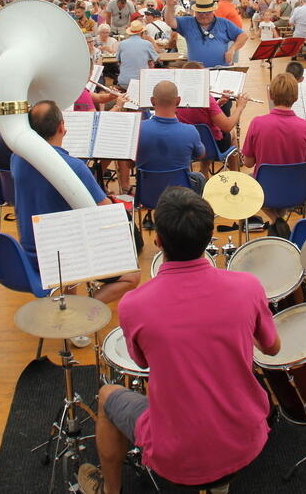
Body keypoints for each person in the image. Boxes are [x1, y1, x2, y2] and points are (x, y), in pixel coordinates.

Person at [77, 186, 280, 494]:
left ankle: (109, 490)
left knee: (107, 395)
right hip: (247, 441)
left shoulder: (134, 304)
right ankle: (220, 482)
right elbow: (272, 348)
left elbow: (142, 362)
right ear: (209, 236)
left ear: (158, 242)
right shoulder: (248, 287)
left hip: (177, 455)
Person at [11, 100, 139, 304]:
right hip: (62, 259)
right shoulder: (75, 168)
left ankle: (70, 297)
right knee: (132, 277)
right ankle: (79, 308)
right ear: (62, 127)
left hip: (28, 251)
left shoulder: (17, 158)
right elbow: (106, 213)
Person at [241, 73, 306, 236]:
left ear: (270, 95)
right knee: (281, 184)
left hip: (266, 191)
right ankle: (279, 221)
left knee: (246, 181)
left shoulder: (257, 123)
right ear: (296, 97)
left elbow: (247, 163)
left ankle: (276, 220)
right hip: (297, 190)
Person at [136, 81, 206, 193]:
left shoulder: (138, 129)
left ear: (152, 101)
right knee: (199, 178)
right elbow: (201, 154)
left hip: (147, 194)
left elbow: (130, 163)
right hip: (180, 196)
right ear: (178, 101)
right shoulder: (190, 131)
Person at [163, 0, 246, 68]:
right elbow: (170, 21)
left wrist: (232, 49)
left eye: (207, 12)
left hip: (220, 70)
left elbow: (243, 36)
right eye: (199, 12)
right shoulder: (188, 22)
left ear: (213, 11)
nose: (203, 15)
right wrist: (170, 6)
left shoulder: (224, 23)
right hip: (196, 71)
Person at [115, 20, 157, 89]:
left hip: (124, 81)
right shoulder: (147, 44)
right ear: (142, 32)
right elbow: (157, 58)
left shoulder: (122, 44)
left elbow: (118, 60)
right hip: (141, 81)